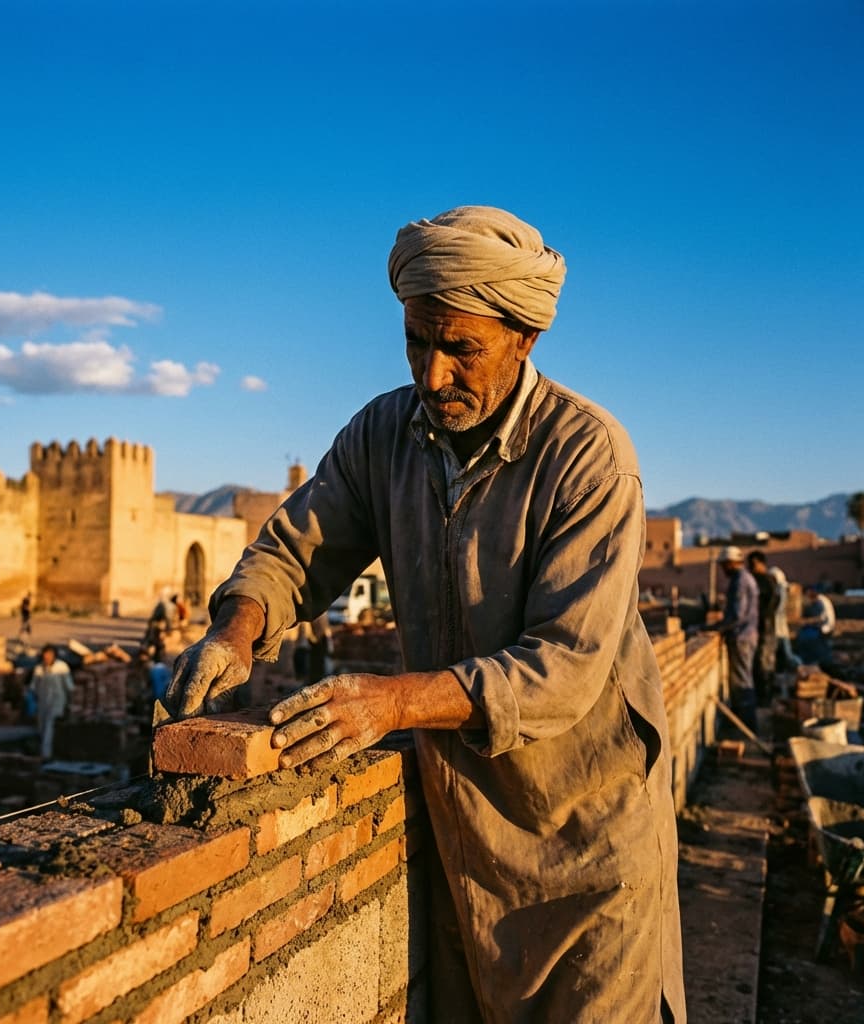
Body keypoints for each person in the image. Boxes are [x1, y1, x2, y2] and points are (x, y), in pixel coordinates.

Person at [168, 206, 684, 1022]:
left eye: (460, 349)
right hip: (463, 841)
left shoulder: (588, 456)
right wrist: (235, 631)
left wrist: (392, 702)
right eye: (417, 343)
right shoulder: (384, 435)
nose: (433, 374)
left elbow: (564, 669)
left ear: (525, 339)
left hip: (588, 851)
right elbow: (296, 548)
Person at [716, 546, 760, 733]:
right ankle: (746, 724)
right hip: (747, 635)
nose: (722, 570)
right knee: (745, 679)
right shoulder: (745, 578)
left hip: (742, 637)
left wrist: (717, 628)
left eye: (724, 565)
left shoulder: (740, 581)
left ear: (731, 563)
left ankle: (746, 727)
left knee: (742, 682)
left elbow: (736, 615)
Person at [29, 644, 74, 759]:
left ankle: (46, 755)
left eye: (50, 655)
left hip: (57, 702)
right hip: (43, 703)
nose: (47, 658)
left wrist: (69, 703)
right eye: (45, 655)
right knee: (42, 728)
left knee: (50, 727)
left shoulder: (62, 667)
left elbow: (69, 687)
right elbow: (34, 687)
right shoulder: (39, 669)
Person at [746, 550, 779, 704]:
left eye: (753, 564)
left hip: (765, 629)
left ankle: (765, 700)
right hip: (763, 628)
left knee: (763, 665)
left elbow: (769, 606)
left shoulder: (766, 582)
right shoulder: (760, 581)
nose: (751, 567)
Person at [768, 567, 801, 671]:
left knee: (787, 655)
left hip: (779, 629)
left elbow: (779, 608)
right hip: (778, 628)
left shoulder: (780, 589)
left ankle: (800, 667)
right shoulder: (778, 589)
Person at [797, 585, 836, 666]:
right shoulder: (820, 600)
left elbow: (821, 618)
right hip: (823, 626)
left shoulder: (820, 602)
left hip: (825, 628)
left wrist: (808, 622)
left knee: (807, 638)